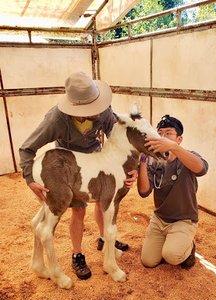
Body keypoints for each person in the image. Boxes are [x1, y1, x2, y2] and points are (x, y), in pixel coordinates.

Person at [19, 71, 137, 280]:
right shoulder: (56, 119)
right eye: (91, 109)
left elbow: (116, 137)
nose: (97, 112)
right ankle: (77, 253)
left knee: (103, 203)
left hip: (96, 158)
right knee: (79, 211)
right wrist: (30, 179)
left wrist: (129, 168)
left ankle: (104, 239)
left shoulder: (103, 111)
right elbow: (27, 148)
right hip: (70, 165)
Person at [137, 114, 208, 270]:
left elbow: (201, 168)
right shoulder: (153, 162)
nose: (162, 137)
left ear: (179, 139)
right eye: (160, 133)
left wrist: (173, 148)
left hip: (183, 220)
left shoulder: (187, 157)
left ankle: (188, 248)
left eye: (168, 133)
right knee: (148, 261)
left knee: (172, 256)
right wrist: (142, 162)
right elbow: (143, 192)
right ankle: (171, 242)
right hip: (160, 219)